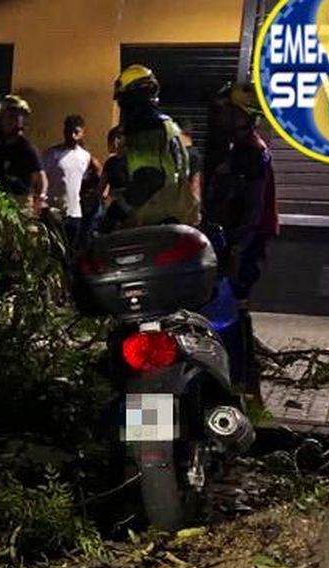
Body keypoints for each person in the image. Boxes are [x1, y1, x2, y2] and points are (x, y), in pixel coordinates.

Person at [203, 81, 278, 397]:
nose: (217, 118)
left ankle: (240, 385)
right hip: (230, 240)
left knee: (232, 312)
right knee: (229, 310)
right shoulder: (236, 149)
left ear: (241, 116)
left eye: (224, 112)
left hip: (241, 242)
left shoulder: (251, 153)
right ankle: (238, 384)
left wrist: (236, 247)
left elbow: (253, 206)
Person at [100, 66, 199, 232]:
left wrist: (116, 212)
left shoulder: (145, 126)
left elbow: (149, 178)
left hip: (153, 222)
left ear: (133, 98)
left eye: (122, 101)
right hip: (177, 218)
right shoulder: (166, 124)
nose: (121, 107)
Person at [42, 114, 102, 253]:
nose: (72, 135)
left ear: (82, 132)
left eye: (76, 132)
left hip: (74, 212)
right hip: (53, 211)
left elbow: (87, 179)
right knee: (52, 250)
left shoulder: (85, 156)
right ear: (64, 132)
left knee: (70, 251)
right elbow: (40, 177)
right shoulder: (52, 154)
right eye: (69, 131)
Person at [0, 94, 46, 213]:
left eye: (12, 117)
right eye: (5, 117)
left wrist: (40, 200)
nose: (7, 122)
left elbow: (41, 178)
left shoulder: (26, 149)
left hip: (20, 203)